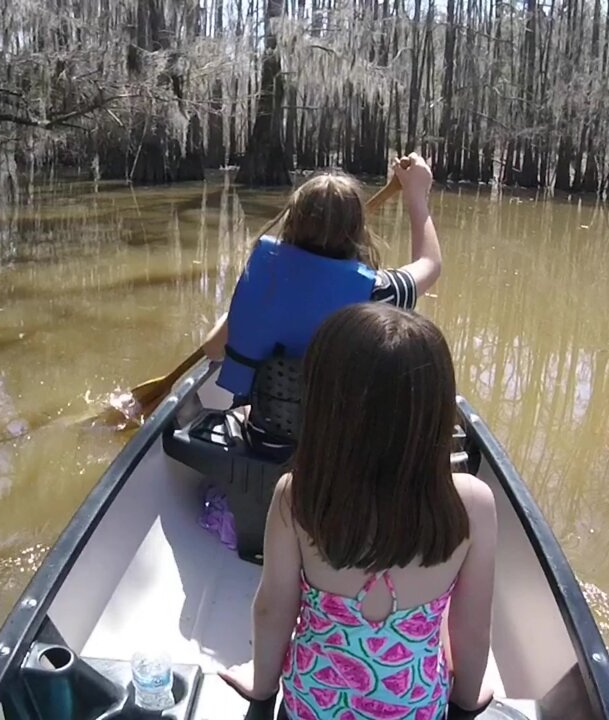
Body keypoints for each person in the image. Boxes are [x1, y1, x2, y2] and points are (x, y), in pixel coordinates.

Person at [218, 303, 497, 719]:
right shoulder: (473, 503)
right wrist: (466, 700)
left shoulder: (297, 497)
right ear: (438, 413)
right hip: (416, 710)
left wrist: (262, 685)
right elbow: (470, 628)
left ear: (324, 408)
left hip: (312, 708)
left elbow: (273, 609)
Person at [200, 155, 443, 451]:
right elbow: (430, 263)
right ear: (358, 231)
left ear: (292, 222)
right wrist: (417, 195)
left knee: (241, 411)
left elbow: (213, 349)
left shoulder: (264, 279)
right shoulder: (378, 293)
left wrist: (245, 310)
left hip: (266, 439)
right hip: (342, 451)